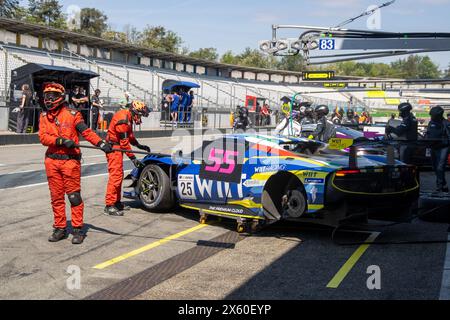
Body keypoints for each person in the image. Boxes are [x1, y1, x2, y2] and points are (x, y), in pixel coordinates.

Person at [39, 83, 112, 244]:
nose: (49, 99)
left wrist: (101, 144)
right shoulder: (43, 117)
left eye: (52, 96)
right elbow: (43, 138)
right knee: (56, 197)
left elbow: (86, 132)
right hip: (51, 161)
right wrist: (60, 141)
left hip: (70, 162)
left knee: (74, 197)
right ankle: (60, 228)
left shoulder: (73, 114)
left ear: (60, 98)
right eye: (46, 96)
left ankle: (78, 229)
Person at [104, 100, 151, 216]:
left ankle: (117, 202)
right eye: (140, 115)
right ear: (135, 111)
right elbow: (124, 143)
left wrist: (139, 145)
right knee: (115, 176)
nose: (140, 118)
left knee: (118, 176)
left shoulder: (128, 116)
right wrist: (134, 159)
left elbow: (129, 136)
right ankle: (109, 205)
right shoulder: (123, 119)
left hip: (118, 147)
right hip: (114, 148)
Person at [425, 106, 450, 193]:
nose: (431, 117)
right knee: (435, 167)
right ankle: (443, 184)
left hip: (444, 147)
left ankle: (439, 186)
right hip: (433, 147)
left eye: (432, 115)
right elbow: (427, 134)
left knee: (440, 167)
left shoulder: (446, 123)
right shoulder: (431, 122)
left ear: (438, 115)